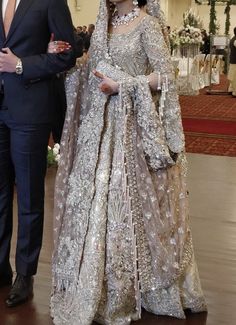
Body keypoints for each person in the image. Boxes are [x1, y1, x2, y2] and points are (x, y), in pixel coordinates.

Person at [50, 0, 207, 324]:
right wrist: (62, 58)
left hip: (133, 131)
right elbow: (90, 72)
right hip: (103, 130)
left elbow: (166, 77)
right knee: (102, 207)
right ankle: (105, 283)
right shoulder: (104, 27)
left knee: (129, 204)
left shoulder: (147, 25)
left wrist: (124, 86)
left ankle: (145, 285)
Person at [0, 0, 75, 308]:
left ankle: (25, 274)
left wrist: (21, 65)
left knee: (29, 195)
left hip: (30, 109)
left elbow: (68, 54)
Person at [228, 27, 236, 97]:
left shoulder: (233, 38)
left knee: (233, 76)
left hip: (233, 60)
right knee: (234, 77)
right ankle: (235, 92)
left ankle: (230, 89)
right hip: (235, 61)